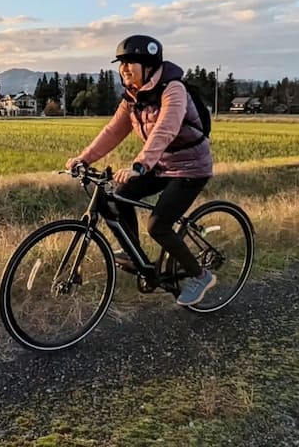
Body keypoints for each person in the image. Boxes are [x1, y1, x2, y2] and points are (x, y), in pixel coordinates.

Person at [65, 35, 215, 306]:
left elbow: (165, 129)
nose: (124, 70)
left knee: (158, 225)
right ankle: (135, 254)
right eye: (120, 65)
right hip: (160, 165)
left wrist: (139, 165)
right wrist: (83, 159)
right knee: (118, 194)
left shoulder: (173, 90)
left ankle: (200, 275)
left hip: (190, 167)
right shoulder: (132, 98)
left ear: (148, 66)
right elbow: (112, 131)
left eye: (129, 63)